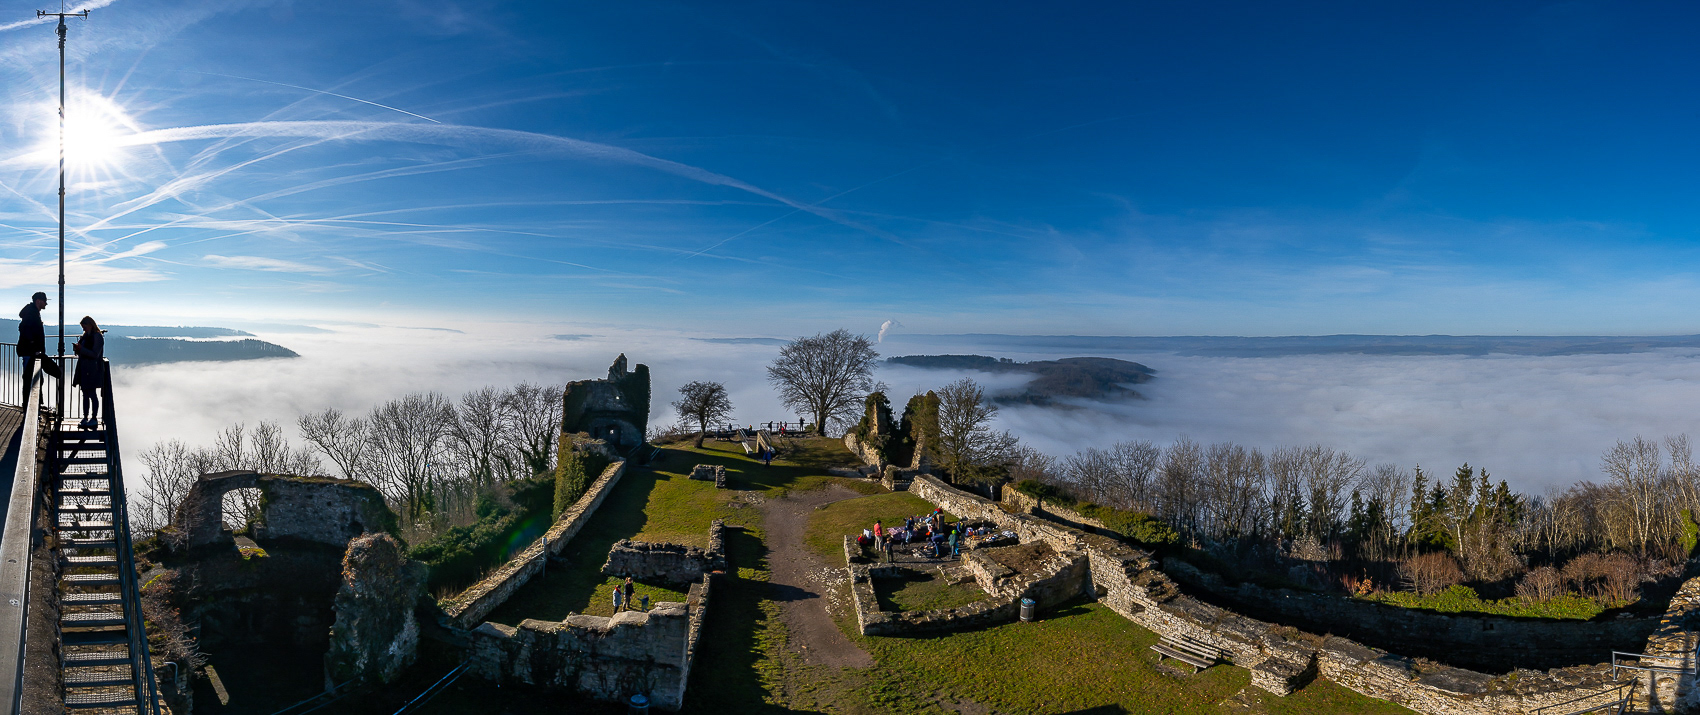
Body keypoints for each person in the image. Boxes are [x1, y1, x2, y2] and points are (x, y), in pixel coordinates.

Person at [16, 291, 62, 386]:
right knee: (33, 379)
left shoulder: (31, 313)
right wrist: (33, 345)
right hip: (31, 352)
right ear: (38, 301)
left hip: (30, 352)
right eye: (44, 301)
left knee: (34, 379)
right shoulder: (32, 314)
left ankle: (33, 400)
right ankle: (31, 400)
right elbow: (24, 329)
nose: (46, 303)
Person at [71, 316, 105, 429]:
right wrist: (78, 349)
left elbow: (95, 354)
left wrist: (81, 349)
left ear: (90, 324)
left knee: (91, 394)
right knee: (85, 394)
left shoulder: (97, 337)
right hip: (84, 368)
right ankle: (85, 417)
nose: (83, 329)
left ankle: (94, 418)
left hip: (92, 370)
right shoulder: (87, 336)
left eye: (84, 326)